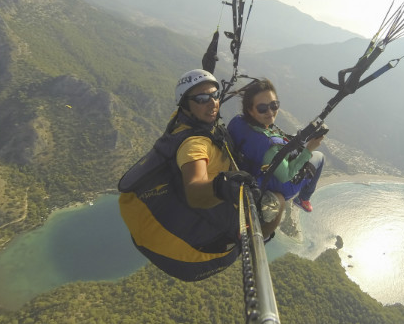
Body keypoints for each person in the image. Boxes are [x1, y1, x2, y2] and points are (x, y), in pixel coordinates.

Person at [118, 69, 259, 282]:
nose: (212, 103)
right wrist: (223, 186)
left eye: (215, 95)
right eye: (202, 99)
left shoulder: (183, 121)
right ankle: (259, 238)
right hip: (205, 236)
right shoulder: (194, 144)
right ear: (186, 105)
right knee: (276, 202)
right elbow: (194, 190)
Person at [228, 78, 325, 228]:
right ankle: (303, 199)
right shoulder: (269, 147)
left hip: (251, 167)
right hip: (276, 183)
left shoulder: (238, 121)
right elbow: (287, 175)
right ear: (250, 110)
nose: (270, 112)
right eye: (262, 108)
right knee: (319, 157)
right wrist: (309, 150)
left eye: (274, 105)